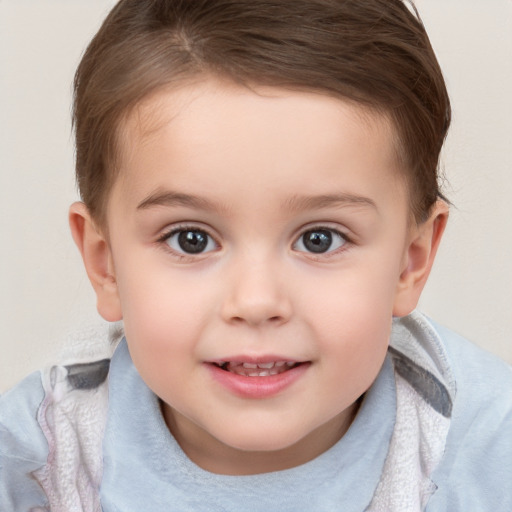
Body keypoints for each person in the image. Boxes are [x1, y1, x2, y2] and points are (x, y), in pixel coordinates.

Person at [1, 0, 511, 510]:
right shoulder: (36, 461)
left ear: (411, 259)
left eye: (320, 239)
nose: (257, 301)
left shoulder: (487, 451)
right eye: (191, 239)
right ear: (104, 262)